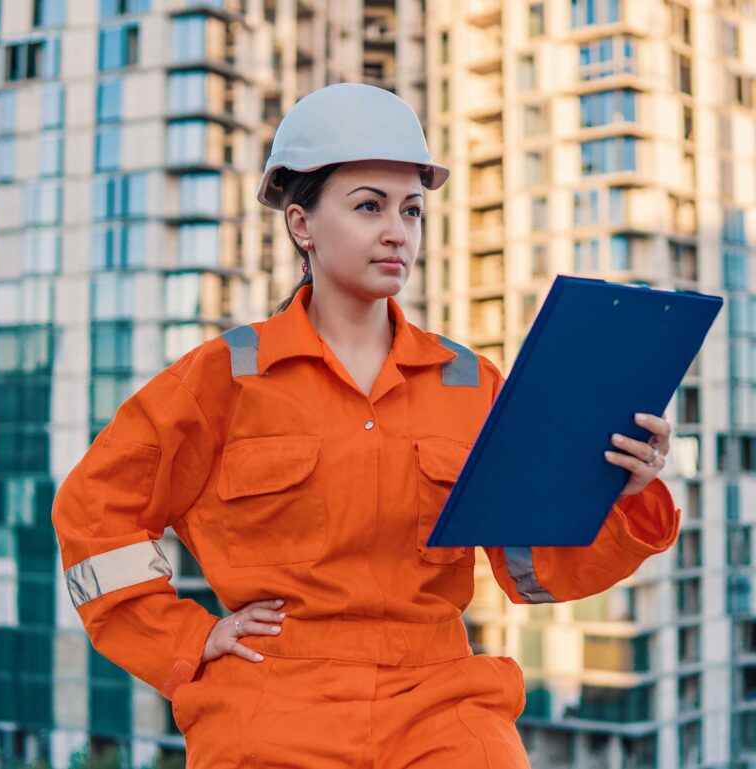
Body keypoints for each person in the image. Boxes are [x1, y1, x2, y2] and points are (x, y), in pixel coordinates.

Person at [51, 82, 680, 768]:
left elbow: (536, 570)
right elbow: (94, 514)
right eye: (369, 206)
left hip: (440, 699)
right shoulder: (225, 377)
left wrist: (618, 494)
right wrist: (184, 638)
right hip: (271, 695)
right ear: (302, 224)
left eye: (411, 210)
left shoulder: (469, 383)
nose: (397, 231)